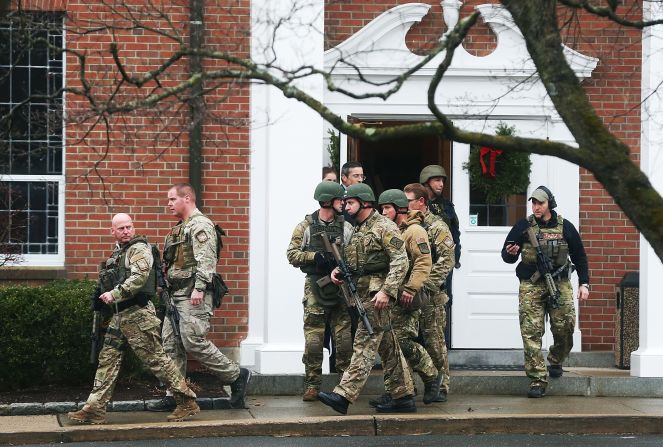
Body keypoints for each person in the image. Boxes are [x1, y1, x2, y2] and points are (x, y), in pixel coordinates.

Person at [68, 213, 199, 424]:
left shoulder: (139, 249)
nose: (126, 231)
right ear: (112, 231)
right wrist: (101, 296)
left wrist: (114, 294)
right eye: (121, 228)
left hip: (138, 315)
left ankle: (186, 401)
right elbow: (112, 279)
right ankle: (94, 408)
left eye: (129, 227)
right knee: (107, 361)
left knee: (157, 361)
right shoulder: (119, 253)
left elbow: (139, 278)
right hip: (120, 316)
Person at [147, 183, 251, 412]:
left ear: (187, 198)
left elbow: (207, 260)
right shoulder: (179, 228)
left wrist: (200, 288)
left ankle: (235, 375)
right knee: (171, 345)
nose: (169, 204)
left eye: (173, 199)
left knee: (193, 340)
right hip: (176, 296)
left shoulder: (200, 225)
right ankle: (176, 395)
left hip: (193, 294)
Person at [317, 183, 415, 415]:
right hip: (361, 294)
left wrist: (387, 291)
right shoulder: (359, 229)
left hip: (377, 296)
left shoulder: (384, 227)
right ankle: (403, 396)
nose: (346, 207)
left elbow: (401, 261)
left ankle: (343, 395)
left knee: (364, 343)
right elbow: (357, 262)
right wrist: (337, 272)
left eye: (350, 203)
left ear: (365, 203)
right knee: (388, 346)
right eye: (345, 203)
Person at [501, 186, 589, 398]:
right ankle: (537, 379)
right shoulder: (523, 226)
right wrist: (510, 252)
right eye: (533, 203)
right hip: (531, 285)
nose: (536, 207)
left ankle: (556, 359)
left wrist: (584, 284)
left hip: (560, 283)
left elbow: (580, 256)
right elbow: (507, 254)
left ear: (550, 203)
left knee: (565, 326)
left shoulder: (565, 226)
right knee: (531, 331)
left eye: (540, 203)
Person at [286, 181, 353, 401]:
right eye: (339, 200)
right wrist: (315, 257)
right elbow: (292, 254)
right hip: (315, 286)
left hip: (340, 287)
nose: (343, 203)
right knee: (314, 341)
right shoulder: (305, 226)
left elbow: (354, 255)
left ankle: (345, 387)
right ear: (327, 201)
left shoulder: (346, 227)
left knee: (343, 341)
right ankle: (312, 384)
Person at [373, 189, 440, 406]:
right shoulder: (391, 230)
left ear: (400, 208)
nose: (383, 212)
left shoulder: (414, 231)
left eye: (387, 208)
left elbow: (423, 262)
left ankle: (431, 376)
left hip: (407, 296)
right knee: (389, 345)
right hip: (392, 295)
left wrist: (411, 289)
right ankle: (397, 390)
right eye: (381, 208)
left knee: (402, 342)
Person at [404, 183, 455, 402]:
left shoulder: (437, 227)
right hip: (408, 296)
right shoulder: (405, 226)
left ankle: (441, 387)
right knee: (408, 342)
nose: (405, 205)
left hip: (431, 296)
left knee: (434, 343)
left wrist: (424, 285)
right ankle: (409, 387)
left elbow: (447, 260)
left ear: (421, 202)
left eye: (408, 201)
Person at [419, 165, 461, 327]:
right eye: (437, 180)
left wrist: (455, 257)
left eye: (442, 180)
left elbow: (455, 233)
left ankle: (442, 342)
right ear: (426, 182)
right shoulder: (417, 204)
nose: (441, 184)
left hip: (441, 263)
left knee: (443, 301)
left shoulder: (447, 207)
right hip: (421, 261)